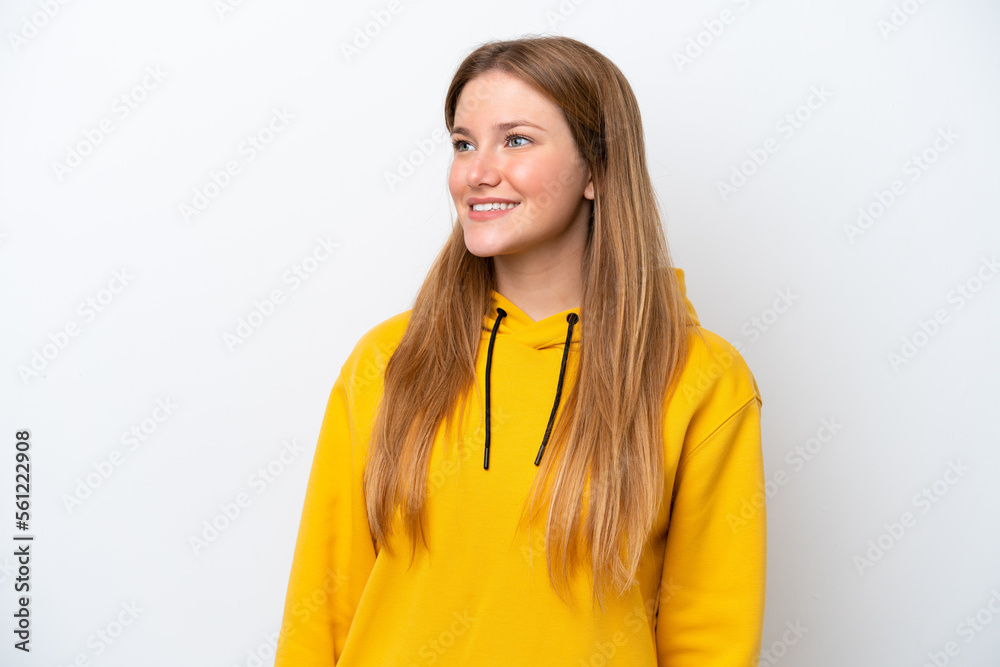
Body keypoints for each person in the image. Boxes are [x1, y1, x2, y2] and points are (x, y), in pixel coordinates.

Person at [274, 35, 766, 666]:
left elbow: (711, 638)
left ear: (597, 169)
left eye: (516, 140)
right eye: (463, 144)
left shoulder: (699, 379)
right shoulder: (388, 361)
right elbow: (320, 612)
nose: (476, 172)